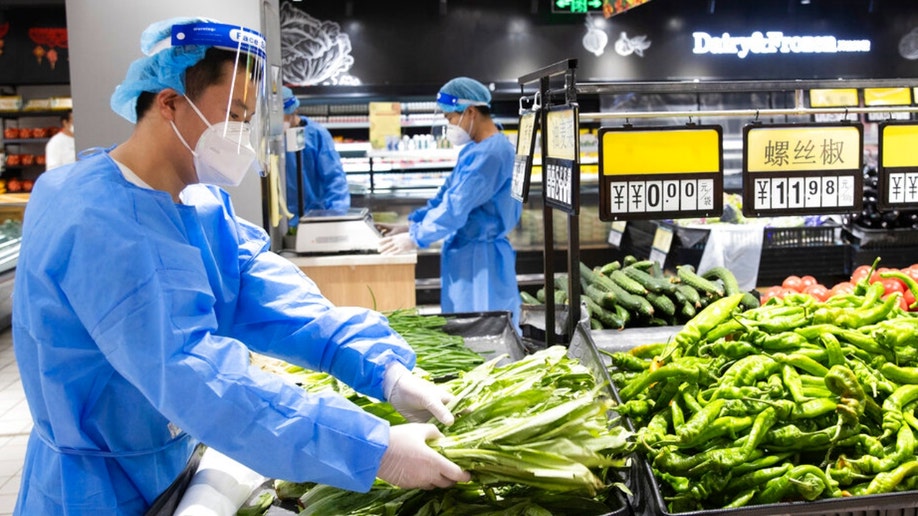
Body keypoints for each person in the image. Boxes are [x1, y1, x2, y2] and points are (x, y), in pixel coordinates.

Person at [12, 17, 468, 515]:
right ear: (168, 103)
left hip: (171, 462)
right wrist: (371, 447)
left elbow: (282, 303)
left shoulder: (200, 207)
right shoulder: (91, 217)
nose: (243, 135)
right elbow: (192, 373)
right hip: (95, 487)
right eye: (235, 113)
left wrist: (385, 372)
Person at [378, 77, 521, 327]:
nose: (449, 125)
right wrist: (412, 225)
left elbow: (456, 207)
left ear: (470, 112)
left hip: (482, 259)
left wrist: (416, 237)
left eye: (450, 118)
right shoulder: (474, 150)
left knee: (484, 330)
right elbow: (445, 197)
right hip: (467, 253)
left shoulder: (492, 154)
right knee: (465, 326)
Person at [281, 85, 350, 229]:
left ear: (294, 110)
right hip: (281, 221)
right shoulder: (271, 140)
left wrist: (333, 220)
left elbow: (334, 179)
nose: (280, 122)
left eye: (284, 116)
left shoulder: (316, 135)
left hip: (315, 220)